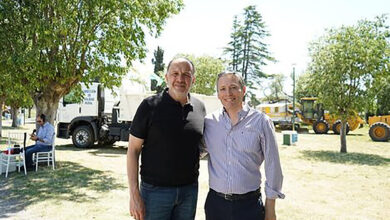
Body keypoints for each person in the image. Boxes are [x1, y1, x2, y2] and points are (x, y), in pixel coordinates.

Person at [127, 58, 206, 220]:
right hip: (155, 193)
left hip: (189, 192)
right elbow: (133, 151)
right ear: (166, 77)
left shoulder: (200, 108)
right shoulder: (149, 106)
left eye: (186, 74)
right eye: (175, 73)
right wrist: (134, 195)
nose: (180, 79)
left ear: (193, 79)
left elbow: (198, 147)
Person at [203, 72, 285, 220]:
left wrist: (270, 207)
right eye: (222, 89)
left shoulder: (261, 122)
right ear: (218, 93)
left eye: (233, 87)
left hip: (249, 206)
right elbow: (194, 152)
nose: (228, 93)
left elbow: (273, 166)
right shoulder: (209, 122)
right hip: (216, 205)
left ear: (244, 90)